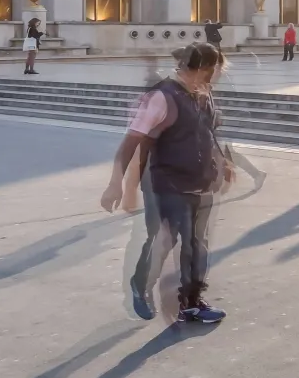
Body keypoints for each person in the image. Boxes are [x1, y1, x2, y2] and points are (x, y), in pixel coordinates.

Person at [99, 43, 232, 323]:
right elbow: (132, 142)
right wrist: (117, 183)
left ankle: (192, 303)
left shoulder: (203, 94)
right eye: (216, 69)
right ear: (205, 69)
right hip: (166, 183)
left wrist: (222, 160)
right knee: (164, 240)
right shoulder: (162, 97)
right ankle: (141, 285)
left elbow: (207, 132)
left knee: (196, 244)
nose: (218, 75)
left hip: (200, 181)